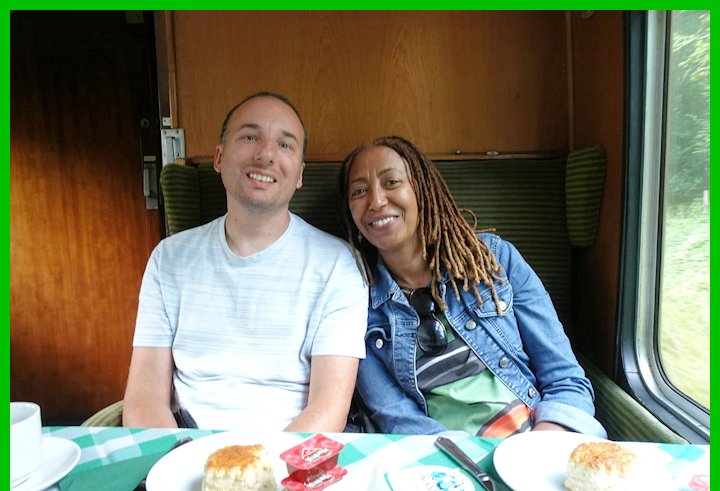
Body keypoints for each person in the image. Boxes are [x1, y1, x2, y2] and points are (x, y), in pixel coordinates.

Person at [123, 92, 368, 431]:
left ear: (299, 175)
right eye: (250, 137)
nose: (266, 154)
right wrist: (181, 456)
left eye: (285, 145)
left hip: (290, 451)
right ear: (219, 157)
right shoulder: (169, 259)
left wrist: (257, 464)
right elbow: (145, 398)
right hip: (185, 444)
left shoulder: (338, 264)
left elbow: (329, 408)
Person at [337, 135, 607, 438]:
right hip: (439, 453)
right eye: (359, 191)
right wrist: (466, 458)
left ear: (422, 189)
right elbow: (396, 416)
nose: (376, 201)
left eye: (391, 182)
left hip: (538, 438)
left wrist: (539, 445)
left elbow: (565, 378)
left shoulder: (496, 260)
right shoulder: (354, 299)